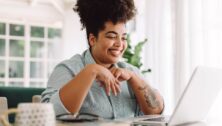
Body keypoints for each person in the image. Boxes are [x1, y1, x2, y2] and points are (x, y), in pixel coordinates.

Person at [41, 0, 164, 119]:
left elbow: (156, 112)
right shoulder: (68, 69)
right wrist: (91, 71)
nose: (119, 44)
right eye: (112, 36)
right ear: (92, 40)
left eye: (124, 38)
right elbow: (49, 114)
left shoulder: (130, 72)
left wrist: (134, 78)